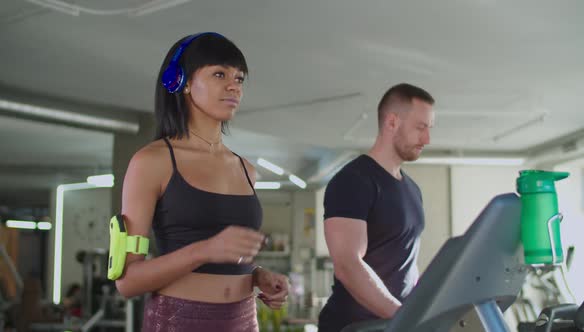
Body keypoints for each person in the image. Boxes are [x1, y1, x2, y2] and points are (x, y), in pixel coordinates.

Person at [115, 32, 289, 332]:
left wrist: (258, 275)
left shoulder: (246, 168)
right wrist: (203, 250)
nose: (234, 85)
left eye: (239, 78)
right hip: (178, 322)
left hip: (244, 321)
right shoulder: (152, 161)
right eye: (219, 74)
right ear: (179, 82)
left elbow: (227, 261)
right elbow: (128, 281)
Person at [318, 83, 435, 332]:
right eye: (420, 127)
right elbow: (348, 264)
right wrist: (402, 317)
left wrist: (417, 310)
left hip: (391, 325)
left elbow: (405, 265)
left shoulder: (413, 190)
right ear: (392, 122)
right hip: (353, 327)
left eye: (429, 129)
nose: (427, 139)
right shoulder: (353, 180)